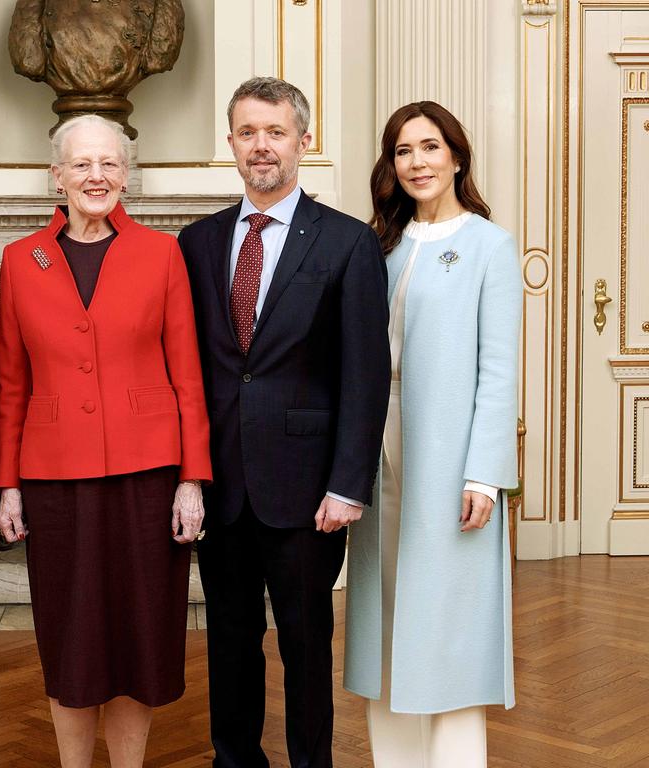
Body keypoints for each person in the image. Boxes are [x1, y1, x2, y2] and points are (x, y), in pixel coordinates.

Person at [177, 77, 390, 768]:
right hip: (223, 484)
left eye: (274, 132)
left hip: (307, 491)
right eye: (247, 132)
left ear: (304, 140)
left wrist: (348, 483)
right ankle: (234, 759)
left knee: (304, 644)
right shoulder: (197, 243)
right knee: (229, 641)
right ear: (231, 144)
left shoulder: (348, 243)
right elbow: (190, 370)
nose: (260, 146)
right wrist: (190, 473)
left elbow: (365, 375)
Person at [0, 113, 212, 768]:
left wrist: (192, 478)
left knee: (139, 638)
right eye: (82, 164)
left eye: (110, 164)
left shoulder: (161, 253)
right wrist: (4, 485)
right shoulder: (21, 257)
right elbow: (8, 384)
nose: (96, 176)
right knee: (70, 637)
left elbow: (188, 375)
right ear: (56, 176)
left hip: (149, 476)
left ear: (127, 175)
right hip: (55, 479)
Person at [343, 101, 522, 768]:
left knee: (448, 632)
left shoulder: (488, 245)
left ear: (456, 156)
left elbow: (499, 369)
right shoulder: (375, 247)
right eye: (402, 151)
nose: (416, 162)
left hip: (450, 472)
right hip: (377, 463)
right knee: (383, 631)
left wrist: (485, 474)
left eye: (429, 147)